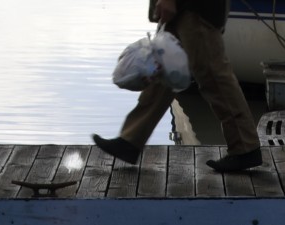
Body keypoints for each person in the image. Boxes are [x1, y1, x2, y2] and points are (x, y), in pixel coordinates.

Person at [94, 0, 262, 174]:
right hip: (186, 8)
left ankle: (245, 147)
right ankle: (130, 140)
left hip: (194, 8)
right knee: (164, 69)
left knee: (212, 74)